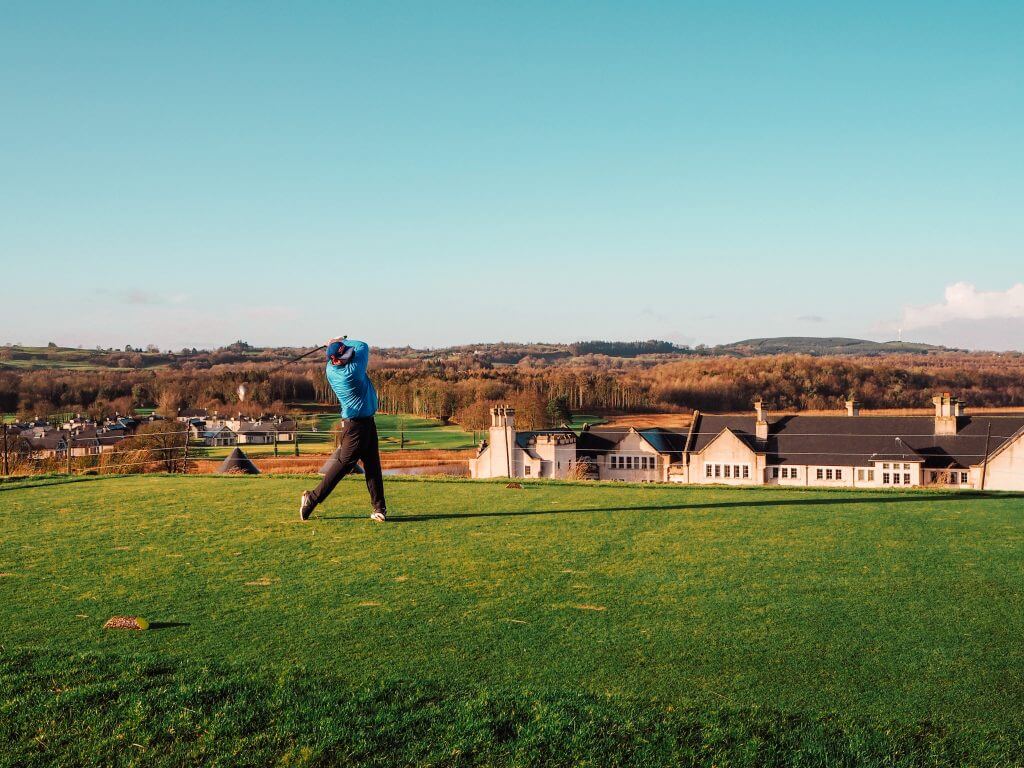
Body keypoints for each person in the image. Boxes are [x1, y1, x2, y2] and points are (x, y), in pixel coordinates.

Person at [300, 337, 387, 522]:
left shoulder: (331, 369)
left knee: (373, 465)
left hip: (366, 422)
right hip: (355, 426)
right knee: (343, 465)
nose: (350, 354)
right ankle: (311, 499)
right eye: (345, 355)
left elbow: (348, 351)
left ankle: (379, 508)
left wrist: (336, 344)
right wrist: (339, 340)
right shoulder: (352, 371)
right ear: (336, 360)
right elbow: (362, 345)